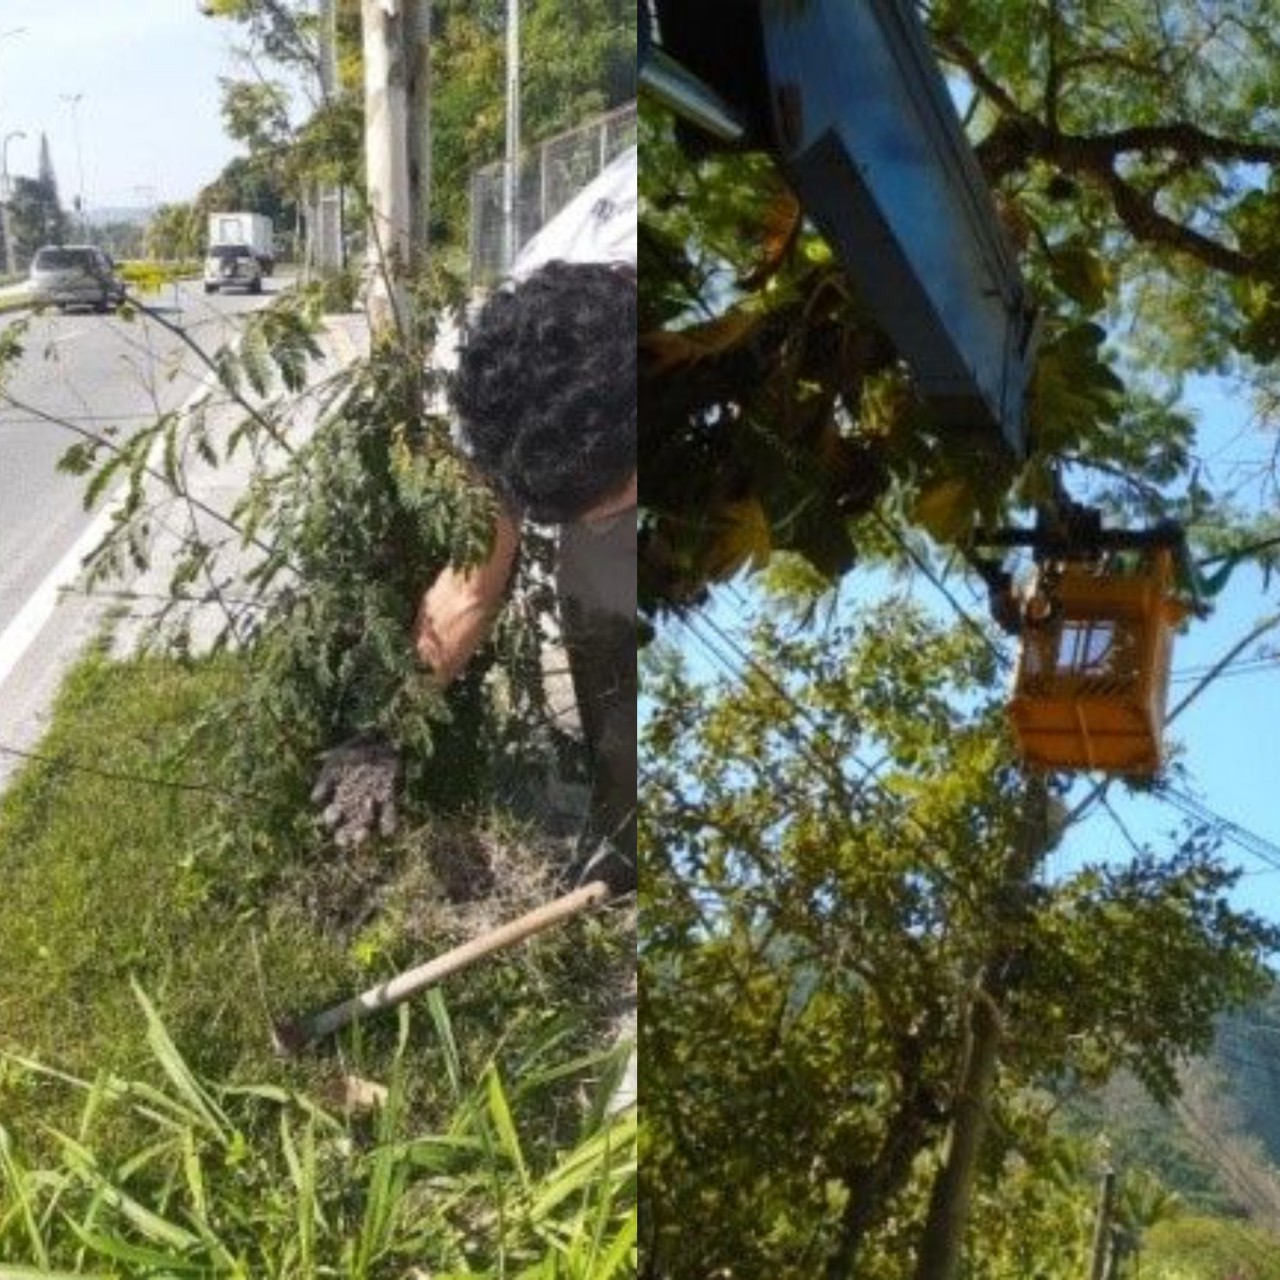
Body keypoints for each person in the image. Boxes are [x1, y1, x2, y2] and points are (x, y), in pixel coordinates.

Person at [313, 259, 637, 896]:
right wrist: (384, 730)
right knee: (613, 663)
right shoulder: (515, 398)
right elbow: (469, 588)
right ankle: (622, 835)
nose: (586, 524)